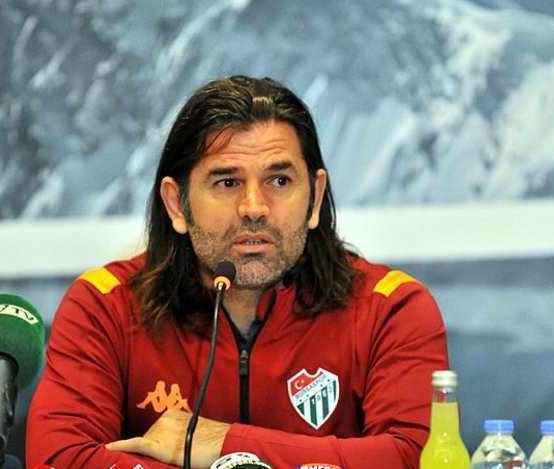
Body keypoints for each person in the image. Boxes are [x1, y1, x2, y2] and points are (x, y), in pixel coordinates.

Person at [26, 75, 450, 469]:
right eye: (227, 182)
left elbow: (416, 457)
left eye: (279, 181)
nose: (254, 208)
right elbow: (59, 459)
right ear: (177, 204)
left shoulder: (391, 308)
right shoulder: (106, 305)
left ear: (315, 198)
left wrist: (226, 443)